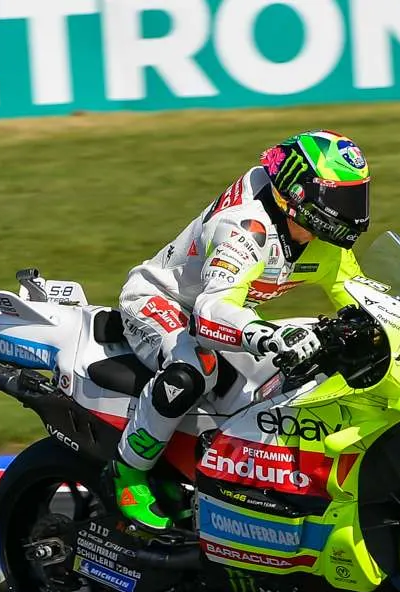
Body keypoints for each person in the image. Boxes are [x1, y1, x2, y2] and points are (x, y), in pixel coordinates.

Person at [101, 129, 373, 530]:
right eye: (342, 200)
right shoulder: (245, 227)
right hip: (161, 301)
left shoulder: (323, 241)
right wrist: (268, 335)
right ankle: (127, 471)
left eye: (359, 197)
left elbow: (359, 297)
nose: (355, 213)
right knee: (195, 367)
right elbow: (210, 313)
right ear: (299, 192)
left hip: (228, 308)